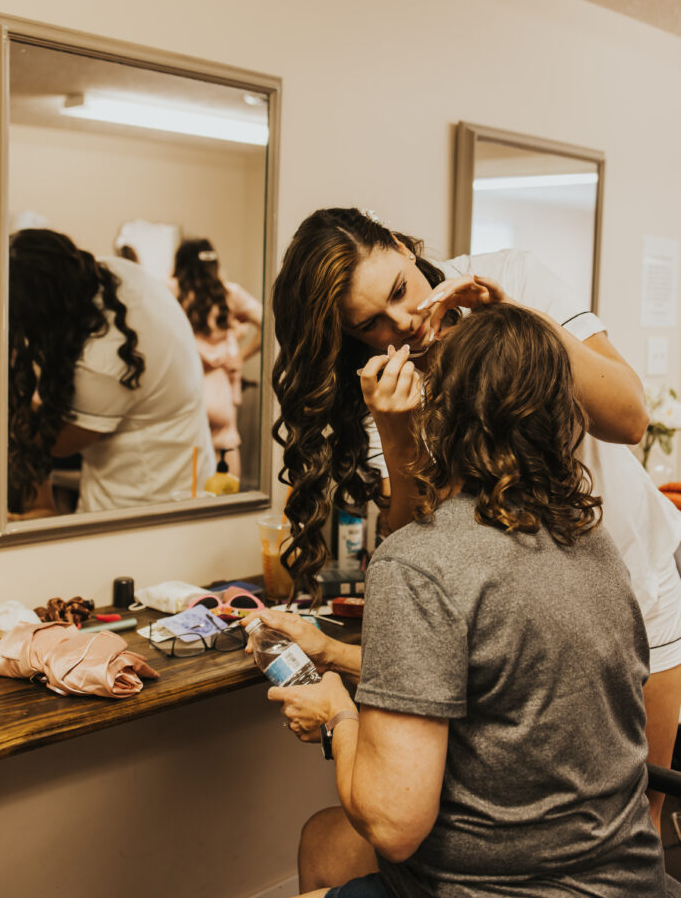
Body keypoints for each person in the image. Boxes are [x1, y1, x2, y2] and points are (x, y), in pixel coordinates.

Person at [271, 208, 681, 834]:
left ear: (407, 248)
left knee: (631, 826)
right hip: (513, 624)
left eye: (401, 292)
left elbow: (626, 418)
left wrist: (515, 320)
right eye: (370, 325)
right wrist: (395, 432)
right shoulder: (383, 384)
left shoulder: (510, 276)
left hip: (632, 584)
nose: (403, 325)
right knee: (510, 822)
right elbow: (416, 547)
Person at [8, 228, 215, 514]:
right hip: (179, 466)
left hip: (144, 499)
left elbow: (58, 445)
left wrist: (18, 401)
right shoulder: (117, 272)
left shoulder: (106, 360)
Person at [170, 237, 262, 479]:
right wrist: (241, 356)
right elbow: (268, 322)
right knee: (227, 458)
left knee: (187, 469)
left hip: (185, 390)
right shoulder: (229, 293)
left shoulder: (172, 291)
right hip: (219, 393)